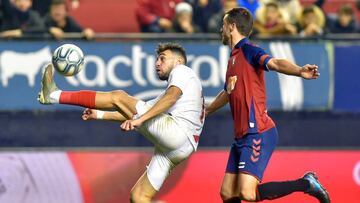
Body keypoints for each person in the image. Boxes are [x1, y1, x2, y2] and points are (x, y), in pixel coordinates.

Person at [38, 42, 205, 202]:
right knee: (139, 197)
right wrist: (100, 114)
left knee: (118, 96)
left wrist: (140, 119)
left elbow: (169, 98)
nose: (157, 63)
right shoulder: (178, 90)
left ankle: (54, 95)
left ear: (179, 60)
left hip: (177, 134)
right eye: (157, 59)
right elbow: (133, 113)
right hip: (181, 148)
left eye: (162, 58)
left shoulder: (182, 71)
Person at [205, 7, 330, 203]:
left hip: (258, 133)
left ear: (232, 26)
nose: (220, 29)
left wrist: (299, 71)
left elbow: (275, 63)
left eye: (223, 25)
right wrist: (207, 110)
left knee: (247, 192)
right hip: (241, 137)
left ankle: (306, 183)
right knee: (227, 193)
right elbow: (228, 92)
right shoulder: (233, 58)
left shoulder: (249, 50)